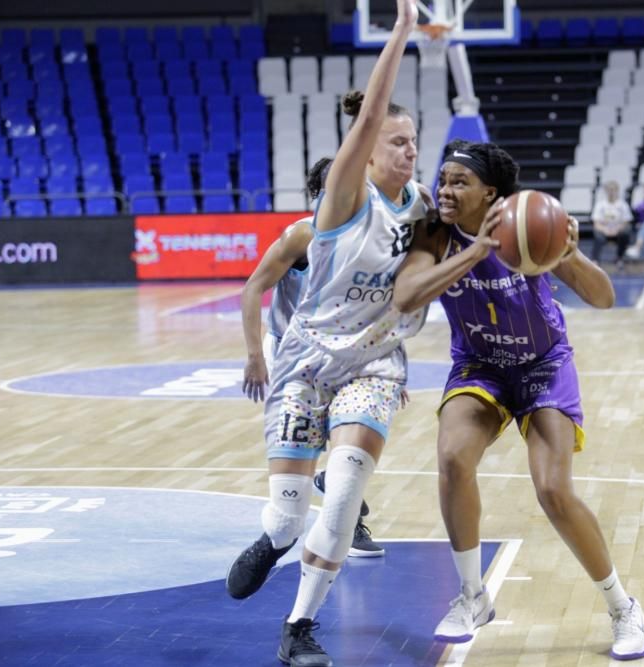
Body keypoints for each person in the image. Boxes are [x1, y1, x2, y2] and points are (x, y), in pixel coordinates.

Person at [393, 140, 644, 661]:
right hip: (480, 365)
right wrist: (476, 250)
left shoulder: (529, 222)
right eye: (443, 179)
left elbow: (602, 298)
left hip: (543, 365)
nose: (445, 189)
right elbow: (406, 294)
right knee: (451, 458)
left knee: (554, 491)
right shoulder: (435, 234)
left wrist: (569, 253)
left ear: (492, 193)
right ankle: (471, 596)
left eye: (459, 181)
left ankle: (622, 606)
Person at [225, 2, 428, 665]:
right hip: (305, 362)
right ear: (366, 153)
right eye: (398, 141)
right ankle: (275, 538)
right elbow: (369, 114)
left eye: (414, 140)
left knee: (342, 491)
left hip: (372, 366)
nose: (409, 149)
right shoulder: (344, 198)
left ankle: (298, 627)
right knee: (288, 514)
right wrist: (401, 31)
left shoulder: (421, 204)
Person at [239, 156, 384, 560]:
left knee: (355, 433)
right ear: (320, 195)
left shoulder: (370, 239)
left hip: (342, 356)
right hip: (291, 356)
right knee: (305, 442)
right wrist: (255, 356)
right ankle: (291, 520)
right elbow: (253, 290)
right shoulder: (301, 237)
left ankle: (344, 509)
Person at [590, 180, 633, 271]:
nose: (611, 192)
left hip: (618, 231)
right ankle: (595, 260)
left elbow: (626, 222)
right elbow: (596, 223)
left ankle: (619, 258)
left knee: (625, 233)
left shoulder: (623, 205)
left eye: (613, 190)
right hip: (604, 230)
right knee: (598, 235)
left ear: (617, 191)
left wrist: (617, 229)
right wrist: (605, 230)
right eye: (609, 190)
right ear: (606, 191)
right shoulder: (600, 205)